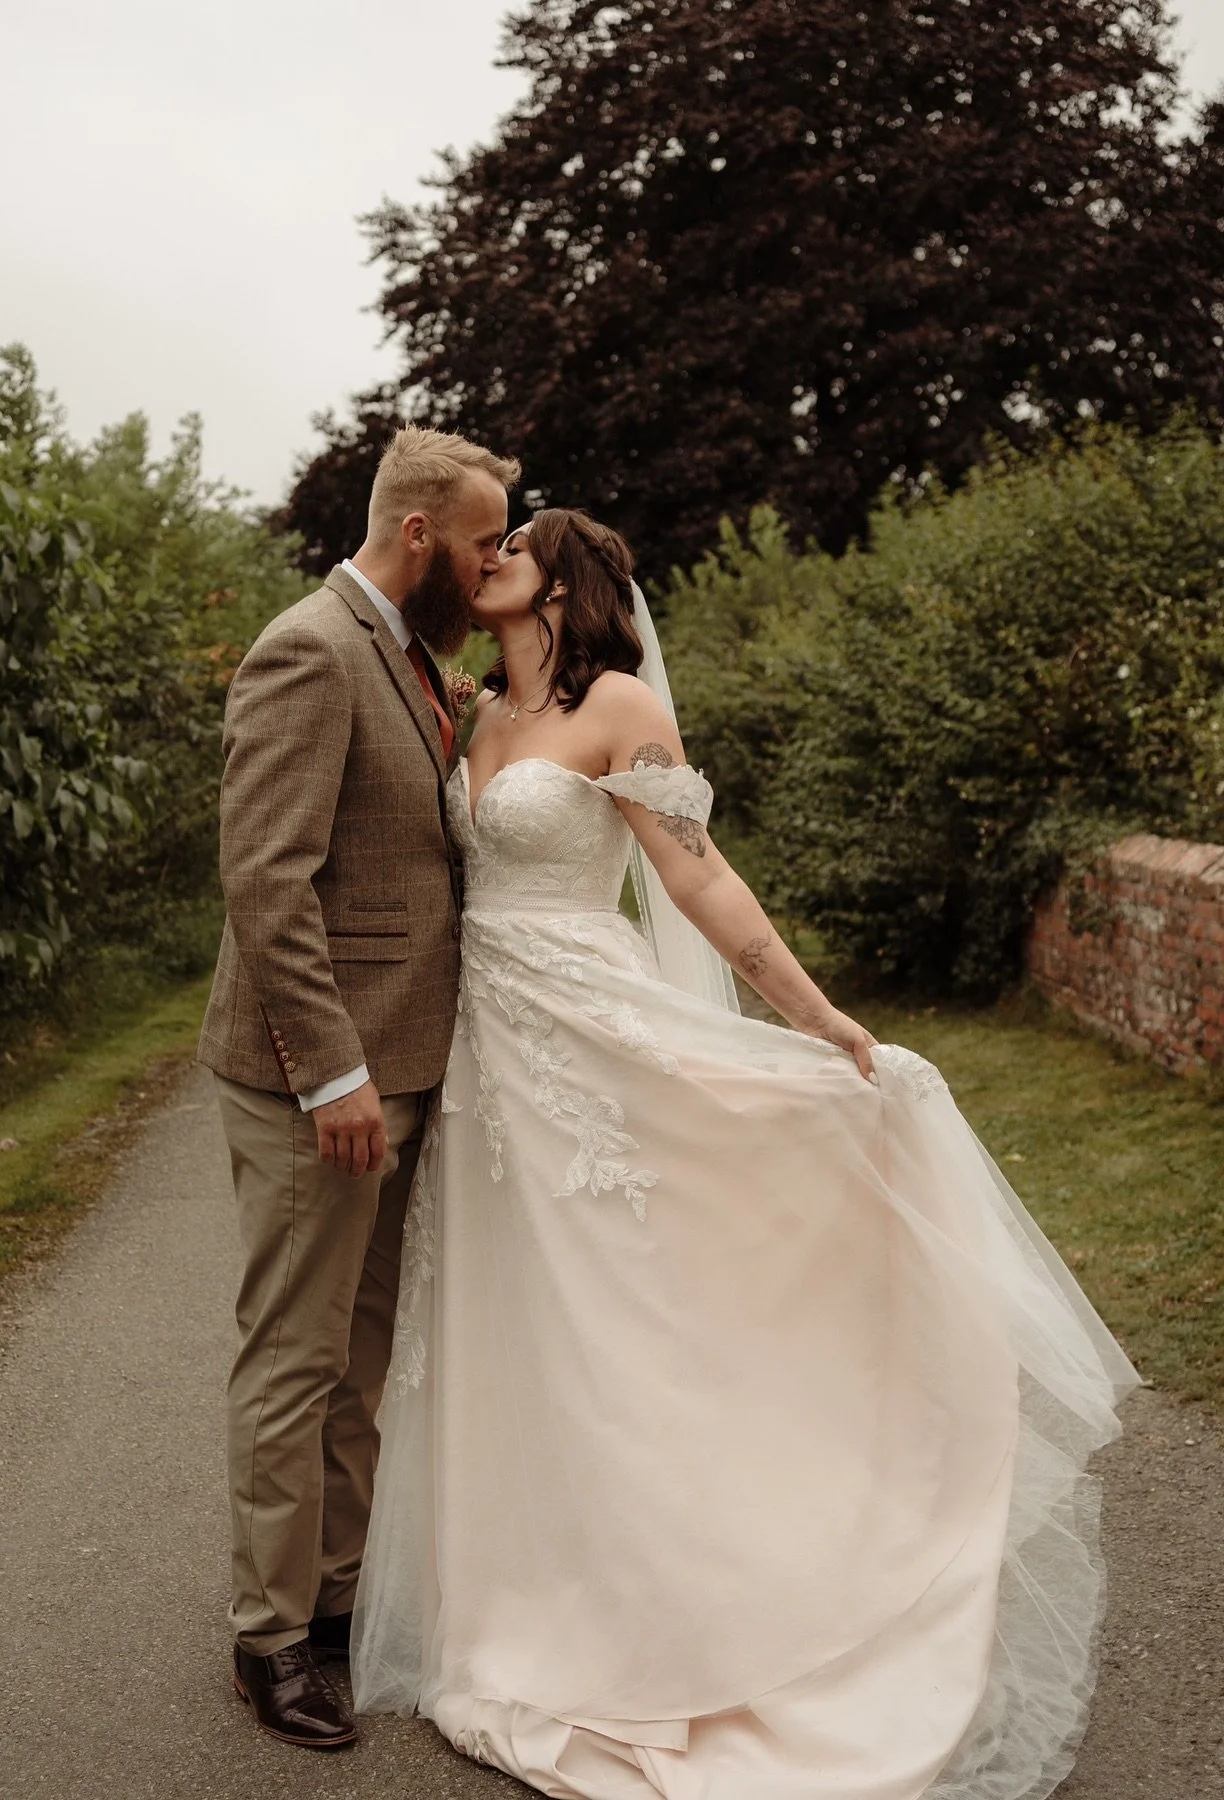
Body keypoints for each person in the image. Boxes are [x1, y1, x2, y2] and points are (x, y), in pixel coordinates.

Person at [351, 509, 1139, 1799]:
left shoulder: (618, 711)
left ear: (570, 583)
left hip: (592, 1039)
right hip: (494, 1058)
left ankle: (707, 1607)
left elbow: (699, 879)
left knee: (629, 1317)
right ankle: (536, 1593)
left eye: (517, 543)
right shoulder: (474, 713)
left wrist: (821, 1019)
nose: (489, 556)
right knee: (530, 1323)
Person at [198, 425, 520, 1749]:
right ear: (423, 537)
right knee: (296, 1353)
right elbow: (268, 882)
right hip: (315, 1083)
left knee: (362, 1354)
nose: (500, 564)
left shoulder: (411, 659)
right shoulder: (307, 650)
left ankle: (333, 1600)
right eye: (491, 540)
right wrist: (329, 1071)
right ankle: (267, 1639)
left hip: (407, 1067)